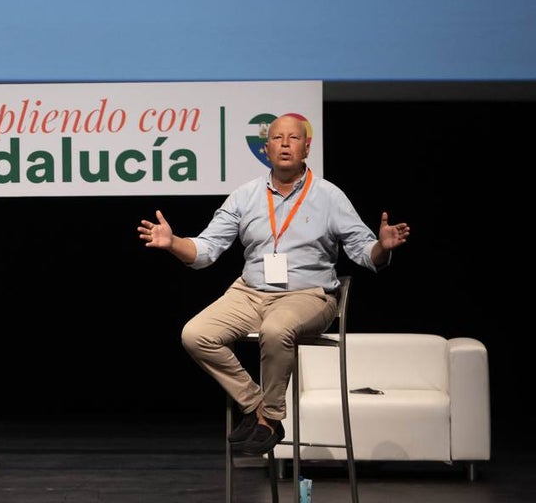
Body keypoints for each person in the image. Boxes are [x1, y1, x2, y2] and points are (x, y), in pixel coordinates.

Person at [137, 113, 410, 455]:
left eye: (293, 138)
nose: (284, 144)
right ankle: (257, 408)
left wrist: (382, 247)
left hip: (308, 295)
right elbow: (205, 252)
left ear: (306, 147)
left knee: (276, 328)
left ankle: (269, 419)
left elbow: (366, 255)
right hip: (250, 293)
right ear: (266, 149)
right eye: (277, 138)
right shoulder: (245, 196)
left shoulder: (329, 196)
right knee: (195, 334)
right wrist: (173, 241)